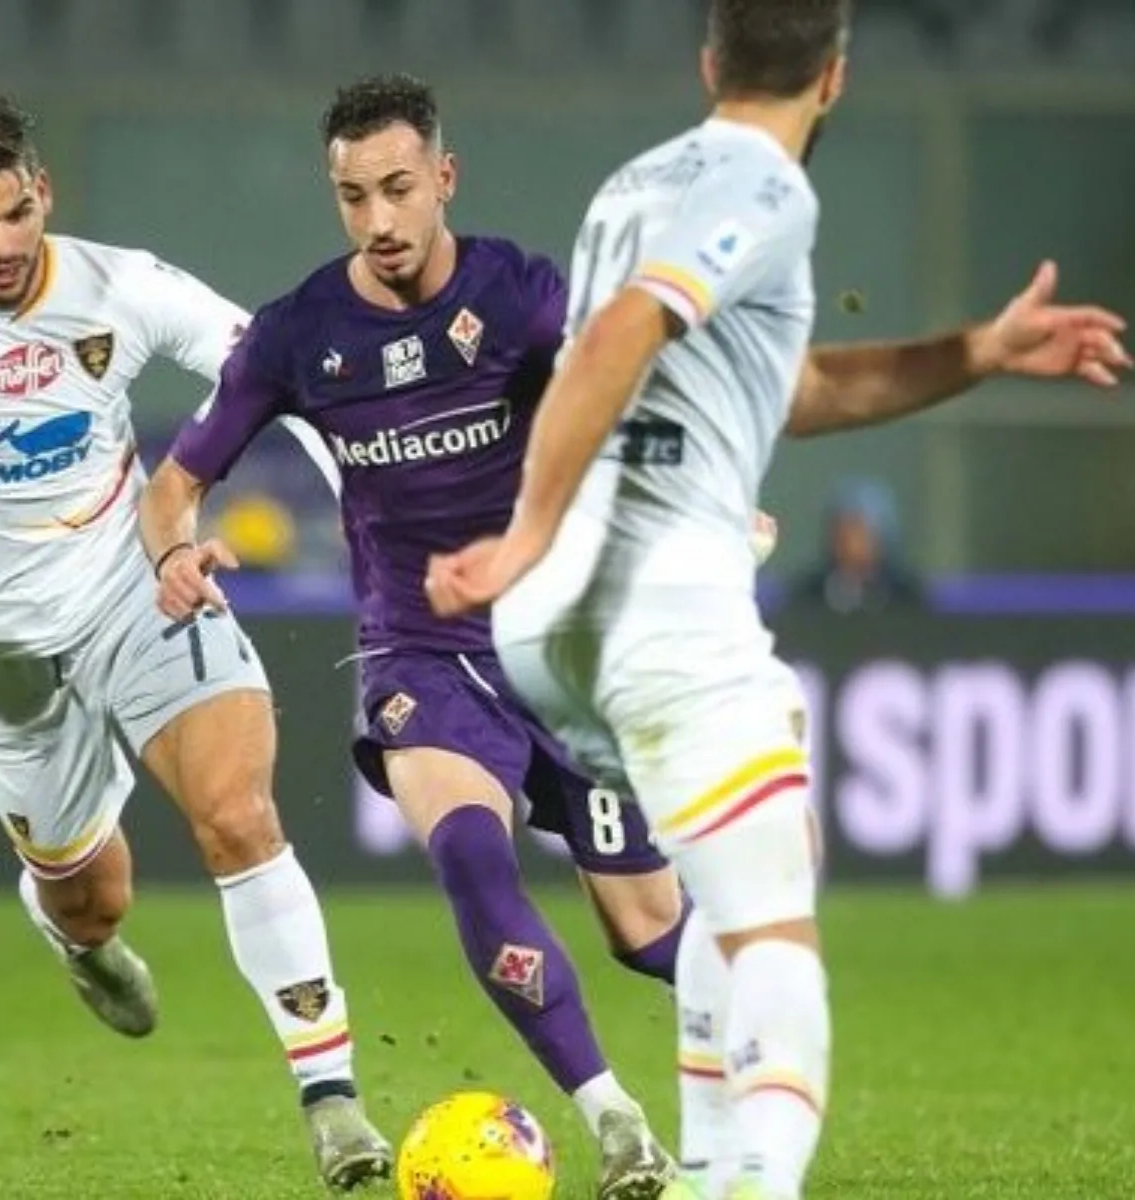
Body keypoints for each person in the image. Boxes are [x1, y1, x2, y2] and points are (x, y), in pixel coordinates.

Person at [424, 2, 1134, 1196]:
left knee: (732, 878)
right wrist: (526, 530)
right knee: (773, 919)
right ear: (836, 76)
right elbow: (619, 335)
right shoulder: (769, 187)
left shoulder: (635, 186)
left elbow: (787, 390)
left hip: (561, 626)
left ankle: (717, 1172)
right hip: (652, 594)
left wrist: (979, 351)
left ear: (710, 62)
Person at [0, 81, 392, 1191]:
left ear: (43, 192)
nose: (2, 245)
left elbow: (274, 373)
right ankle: (78, 938)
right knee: (92, 895)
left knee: (239, 815)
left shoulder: (122, 286)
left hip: (136, 594)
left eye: (17, 213)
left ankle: (330, 1094)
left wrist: (366, 516)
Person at [141, 73, 702, 1200]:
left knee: (647, 931)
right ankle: (620, 1125)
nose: (379, 219)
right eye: (354, 196)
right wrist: (173, 556)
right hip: (418, 654)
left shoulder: (520, 297)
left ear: (444, 177)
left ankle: (774, 1007)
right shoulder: (299, 334)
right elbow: (175, 484)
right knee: (472, 857)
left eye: (398, 188)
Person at [784, 476, 926, 614]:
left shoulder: (906, 598)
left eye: (858, 531)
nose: (847, 542)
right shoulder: (807, 597)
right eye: (840, 531)